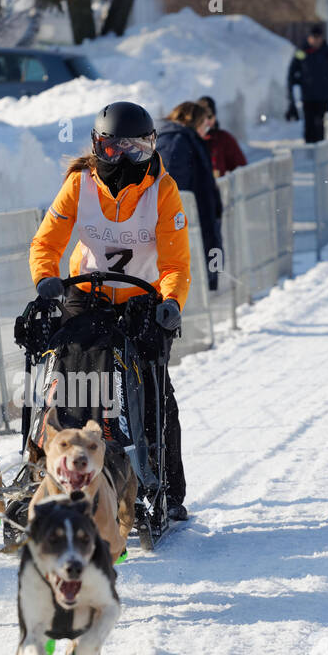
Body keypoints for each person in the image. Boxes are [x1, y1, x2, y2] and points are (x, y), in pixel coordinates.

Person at [29, 100, 191, 520]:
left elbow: (175, 264)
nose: (127, 159)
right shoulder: (79, 185)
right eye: (117, 149)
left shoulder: (163, 190)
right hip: (88, 292)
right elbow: (46, 243)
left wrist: (171, 302)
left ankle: (166, 487)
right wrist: (45, 279)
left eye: (139, 149)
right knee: (74, 377)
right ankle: (58, 469)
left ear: (152, 146)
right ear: (99, 147)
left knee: (153, 387)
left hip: (144, 299)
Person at [155, 100, 224, 291]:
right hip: (182, 222)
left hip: (190, 218)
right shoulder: (177, 141)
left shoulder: (182, 138)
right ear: (195, 122)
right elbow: (172, 183)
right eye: (204, 125)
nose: (207, 130)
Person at [286, 23, 328, 144]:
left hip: (324, 96)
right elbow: (291, 73)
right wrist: (290, 95)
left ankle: (323, 150)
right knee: (309, 126)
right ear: (309, 38)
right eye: (313, 37)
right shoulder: (302, 52)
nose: (316, 40)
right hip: (308, 96)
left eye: (318, 37)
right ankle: (310, 152)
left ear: (322, 38)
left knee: (323, 125)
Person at [196, 94, 247, 176]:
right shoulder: (190, 140)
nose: (206, 122)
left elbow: (241, 168)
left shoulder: (223, 138)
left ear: (215, 116)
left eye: (209, 117)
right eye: (202, 118)